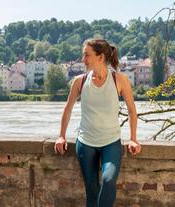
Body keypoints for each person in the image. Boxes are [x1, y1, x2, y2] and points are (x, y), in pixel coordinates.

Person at [54, 38, 141, 207]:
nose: (83, 59)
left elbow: (131, 110)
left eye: (87, 55)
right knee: (92, 191)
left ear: (100, 57)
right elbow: (68, 108)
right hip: (85, 143)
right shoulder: (80, 81)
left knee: (108, 180)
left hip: (111, 142)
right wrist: (61, 136)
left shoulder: (119, 80)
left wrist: (133, 138)